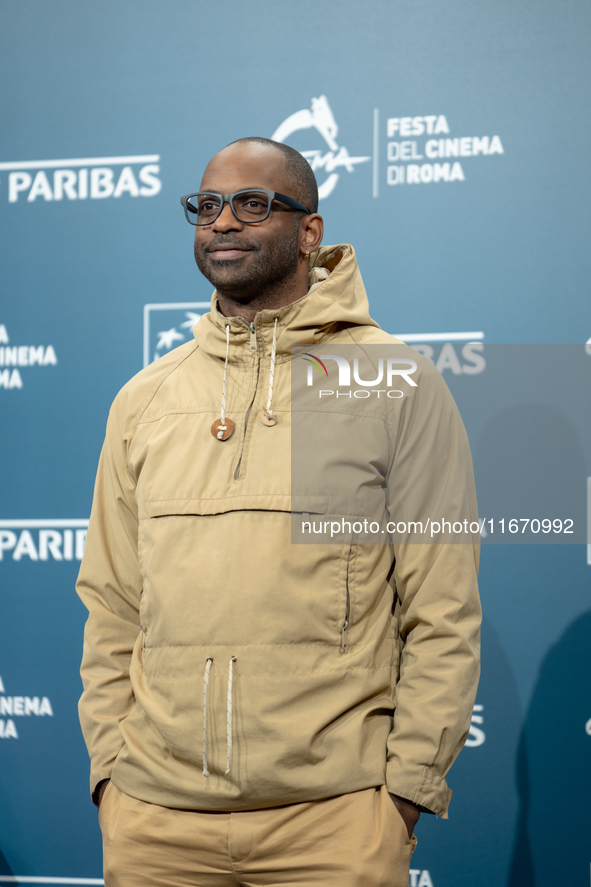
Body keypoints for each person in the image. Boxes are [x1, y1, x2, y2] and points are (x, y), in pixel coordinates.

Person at [77, 137, 481, 887]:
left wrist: (401, 797)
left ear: (309, 231)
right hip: (155, 825)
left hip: (334, 824)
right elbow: (112, 603)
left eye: (252, 203)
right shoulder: (145, 399)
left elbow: (442, 608)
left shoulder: (396, 384)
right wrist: (112, 776)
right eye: (206, 205)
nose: (223, 222)